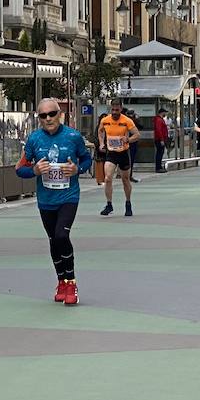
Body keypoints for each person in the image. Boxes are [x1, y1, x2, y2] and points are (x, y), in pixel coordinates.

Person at [15, 100, 93, 305]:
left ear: (60, 114)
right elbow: (19, 168)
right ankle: (61, 281)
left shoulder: (73, 136)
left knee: (62, 235)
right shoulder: (34, 139)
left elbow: (86, 159)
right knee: (53, 239)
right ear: (39, 118)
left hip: (69, 196)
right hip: (46, 199)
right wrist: (34, 171)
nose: (48, 118)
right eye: (43, 115)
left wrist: (78, 169)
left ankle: (71, 282)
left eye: (52, 114)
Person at [97, 99, 140, 217]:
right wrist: (101, 143)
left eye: (117, 110)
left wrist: (128, 139)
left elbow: (137, 135)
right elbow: (100, 131)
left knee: (125, 179)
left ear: (121, 109)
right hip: (111, 153)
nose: (115, 112)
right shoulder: (105, 120)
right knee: (108, 178)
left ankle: (128, 203)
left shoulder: (127, 121)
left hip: (124, 153)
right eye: (113, 110)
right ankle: (109, 204)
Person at [152, 108, 170, 173]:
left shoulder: (160, 119)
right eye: (165, 112)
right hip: (159, 139)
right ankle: (158, 167)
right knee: (159, 153)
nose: (165, 114)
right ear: (162, 112)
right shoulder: (159, 120)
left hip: (160, 139)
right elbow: (159, 130)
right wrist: (162, 139)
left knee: (160, 153)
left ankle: (159, 166)